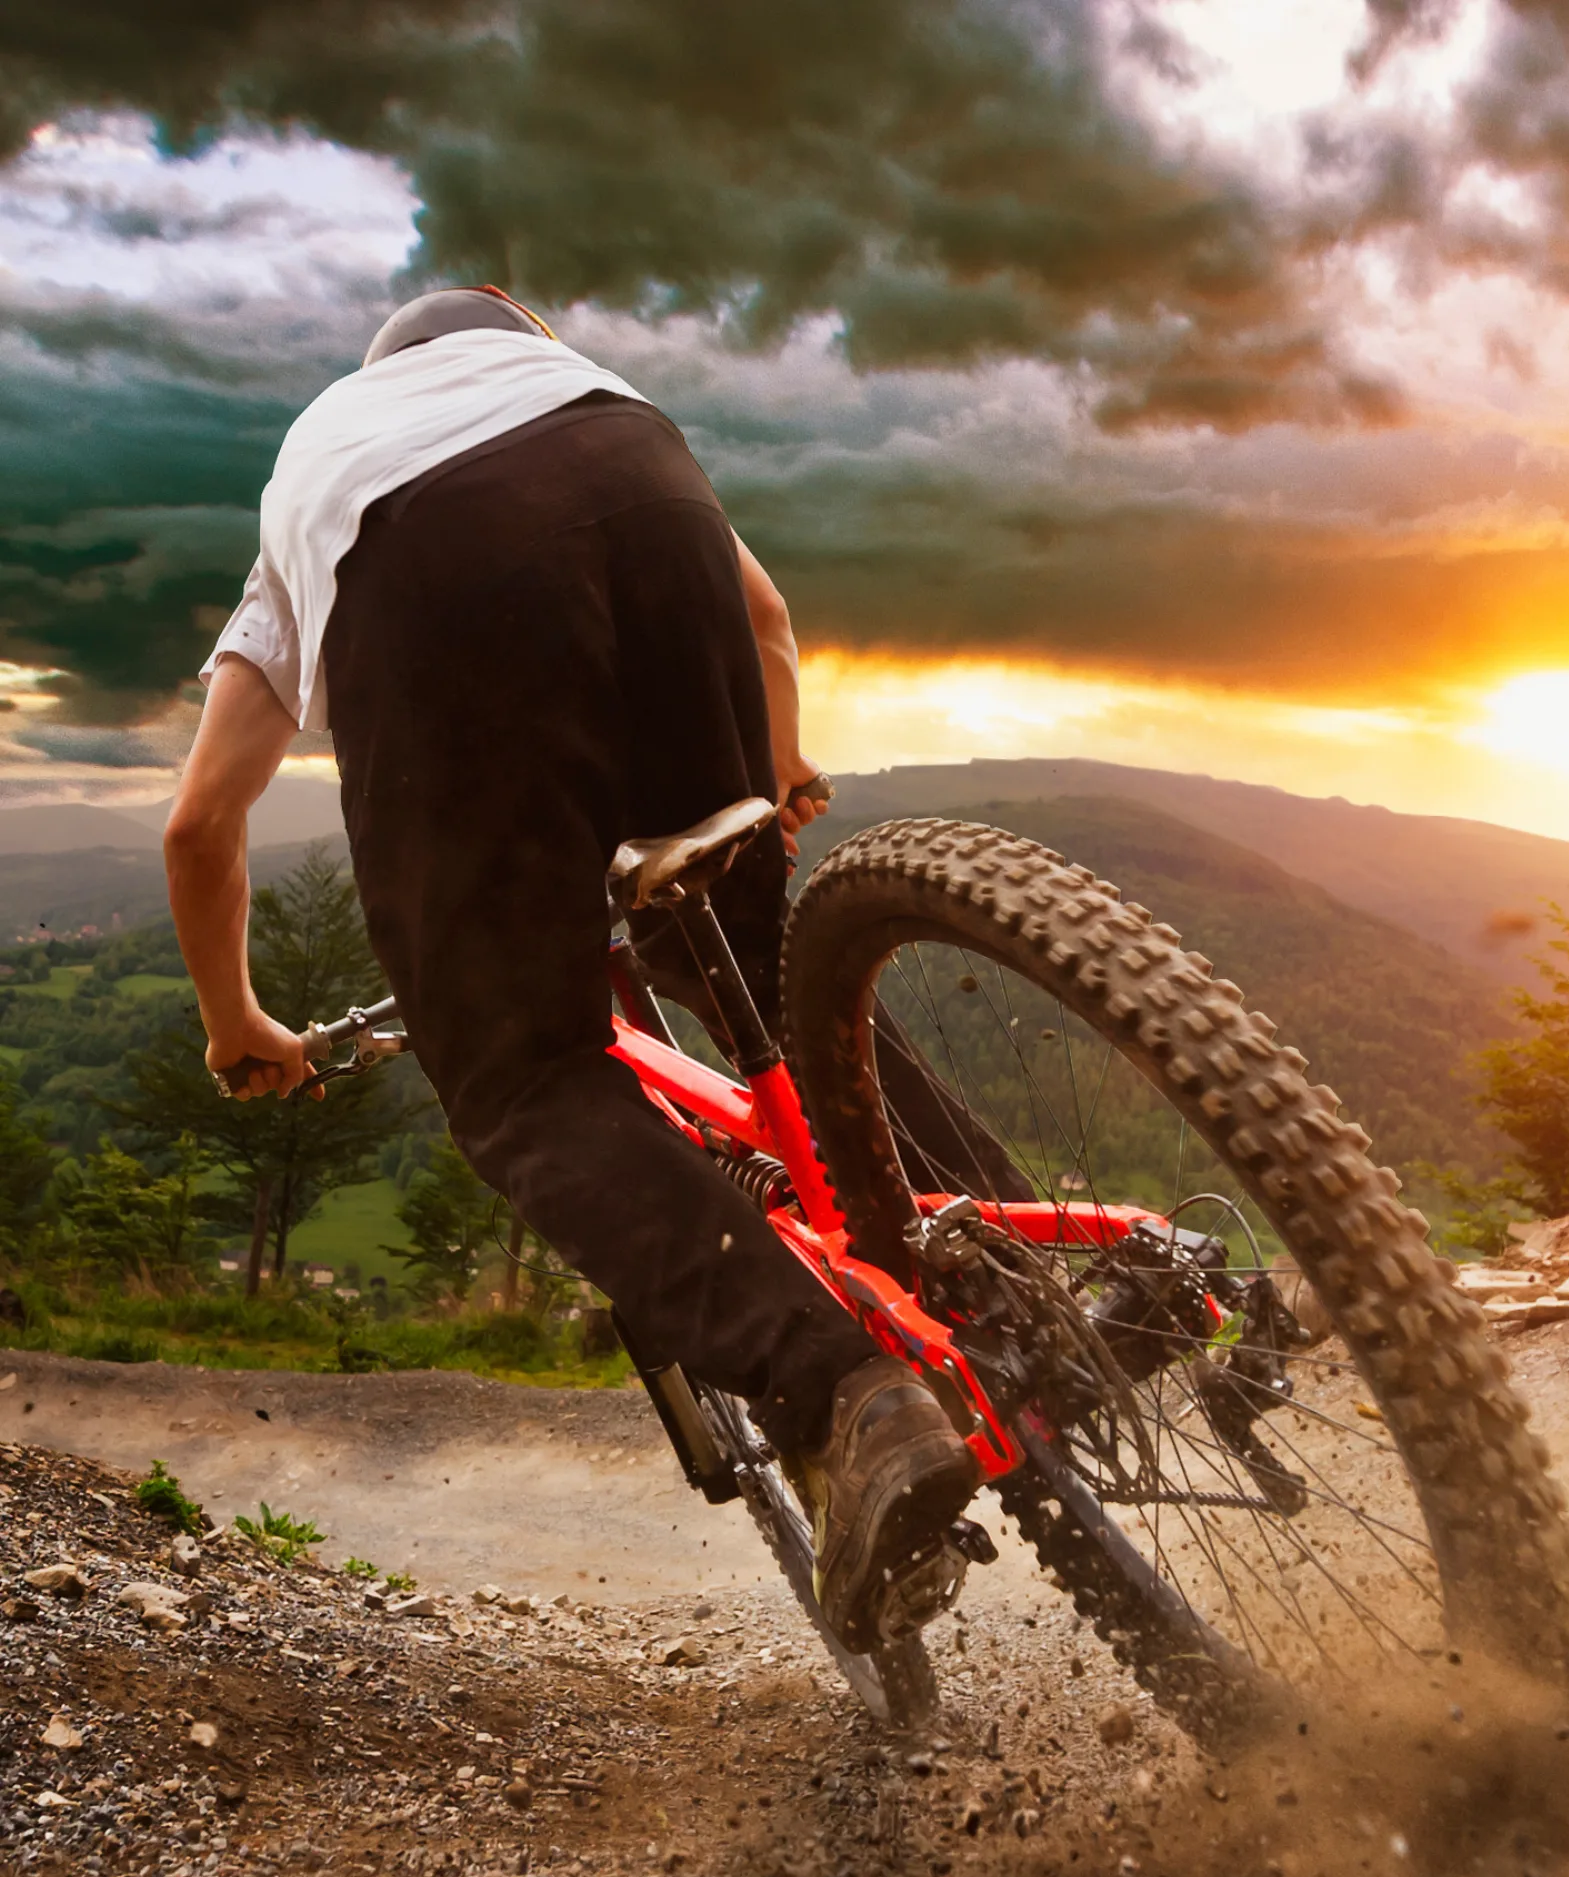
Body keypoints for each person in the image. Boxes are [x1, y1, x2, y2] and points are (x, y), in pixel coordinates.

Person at [166, 285, 978, 1648]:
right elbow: (769, 621)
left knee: (525, 1075)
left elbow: (202, 822)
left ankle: (846, 1394)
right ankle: (1029, 1294)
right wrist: (774, 775)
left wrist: (235, 1019)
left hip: (428, 563)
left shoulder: (331, 455)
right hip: (653, 493)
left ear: (383, 367)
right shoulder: (574, 387)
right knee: (772, 983)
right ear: (509, 337)